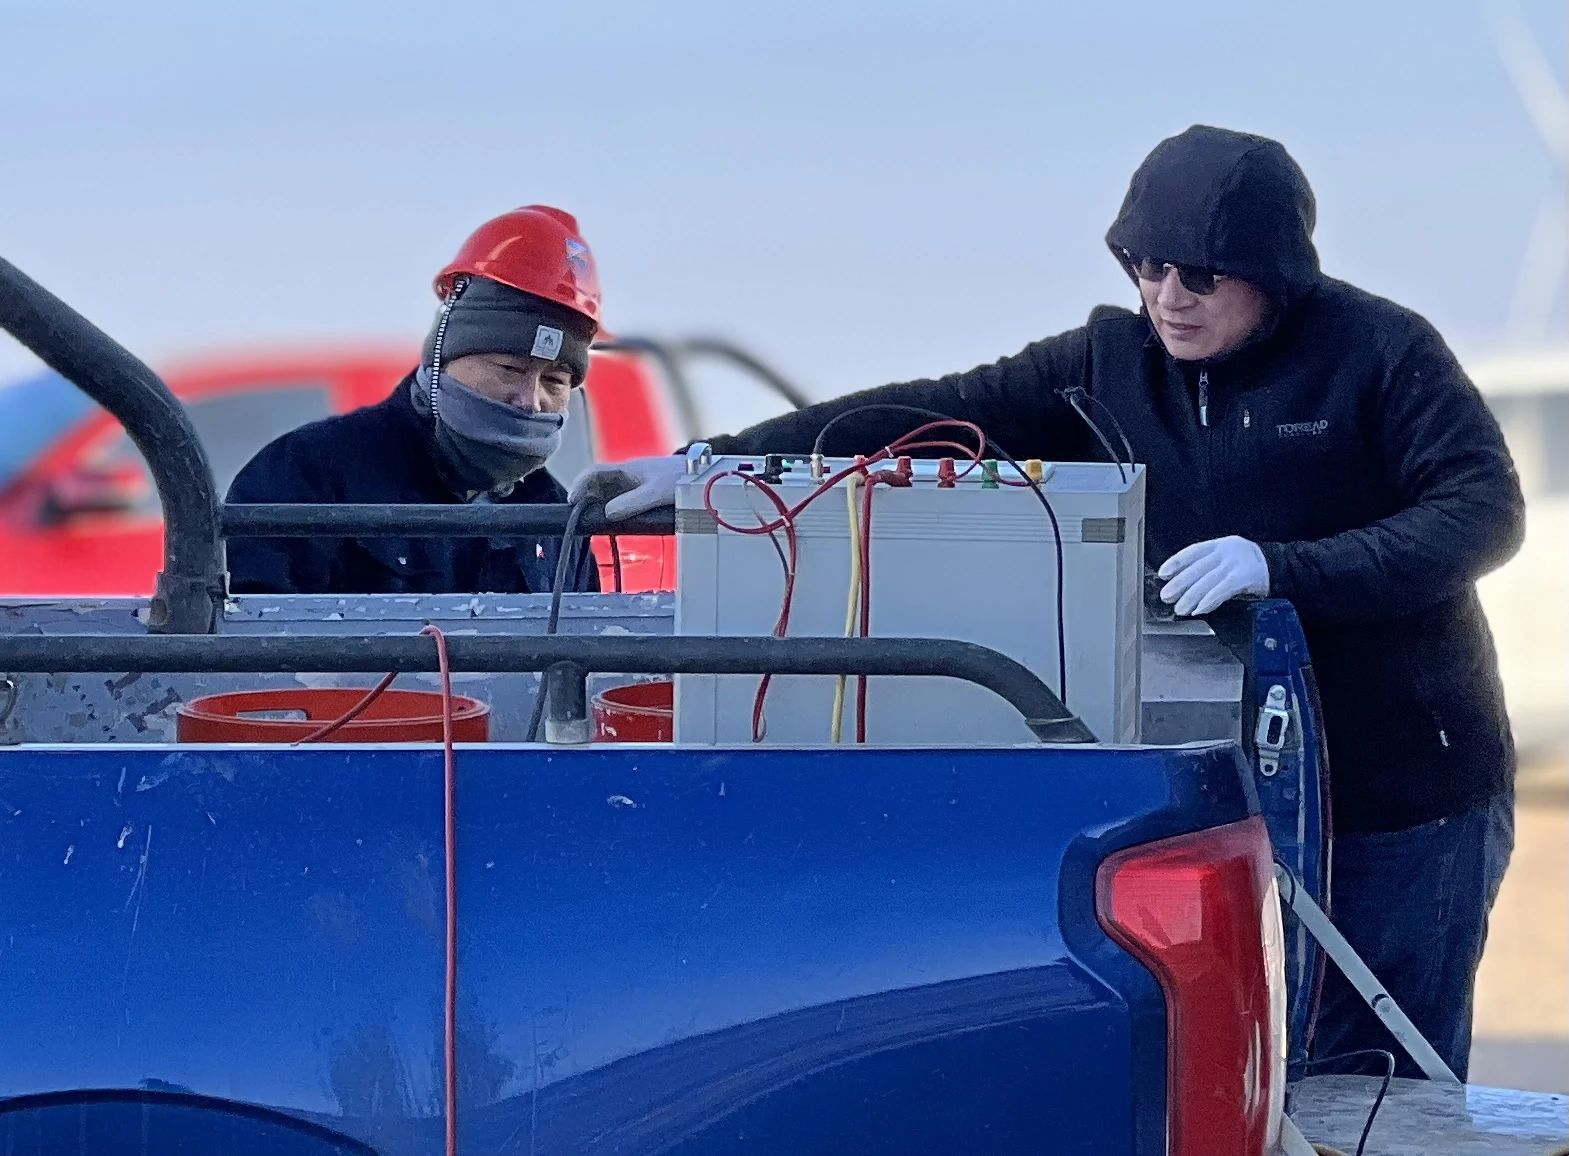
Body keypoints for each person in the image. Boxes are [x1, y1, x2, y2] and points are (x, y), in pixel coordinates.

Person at [573, 125, 1525, 1081]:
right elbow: (922, 413)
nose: (1166, 298)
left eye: (1197, 276)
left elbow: (1481, 511)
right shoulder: (1110, 361)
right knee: (1246, 1065)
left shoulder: (1380, 352)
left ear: (1271, 274)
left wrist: (1284, 568)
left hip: (1406, 785)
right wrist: (716, 463)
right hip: (1237, 781)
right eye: (1146, 267)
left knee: (1381, 1073)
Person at [226, 204, 602, 596]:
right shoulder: (308, 477)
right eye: (509, 369)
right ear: (443, 357)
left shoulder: (556, 519)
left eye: (555, 381)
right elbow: (244, 638)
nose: (531, 400)